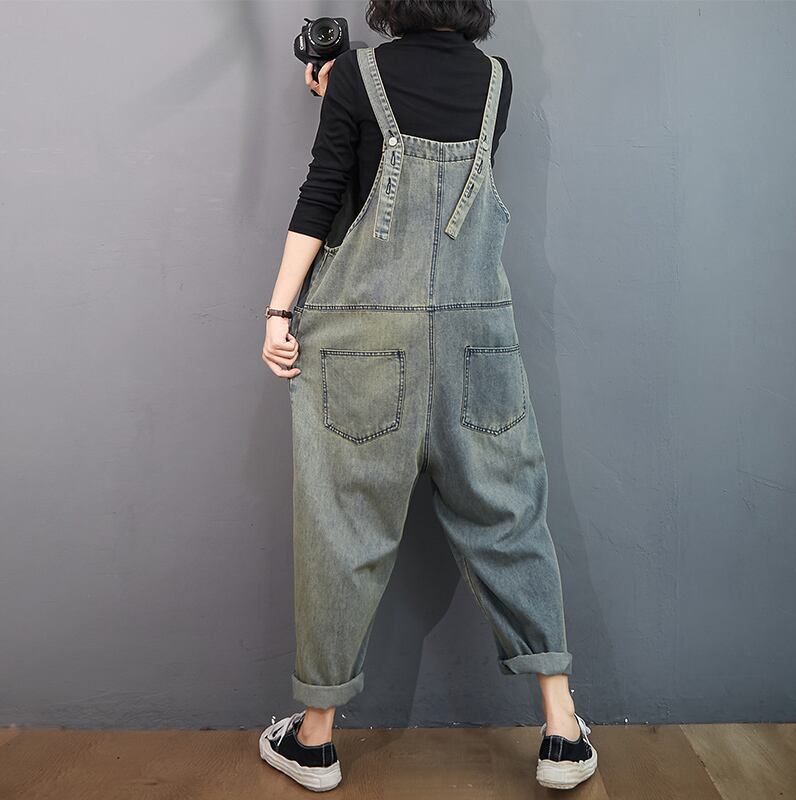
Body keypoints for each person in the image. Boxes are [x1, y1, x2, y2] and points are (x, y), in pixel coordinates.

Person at [259, 1, 597, 792]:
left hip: (364, 344)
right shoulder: (497, 82)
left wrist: (279, 310)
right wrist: (343, 94)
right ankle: (561, 729)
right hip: (479, 343)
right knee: (509, 518)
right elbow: (440, 154)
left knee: (343, 529)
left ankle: (315, 740)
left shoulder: (356, 76)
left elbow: (325, 190)